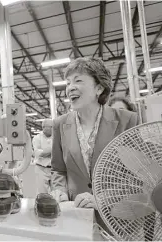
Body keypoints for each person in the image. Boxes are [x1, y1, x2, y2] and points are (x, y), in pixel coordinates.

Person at [50, 57, 138, 237]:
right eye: (68, 83)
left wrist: (103, 199)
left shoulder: (127, 120)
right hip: (77, 216)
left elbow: (137, 176)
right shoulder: (60, 125)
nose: (70, 87)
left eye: (78, 80)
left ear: (99, 88)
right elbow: (58, 169)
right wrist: (59, 190)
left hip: (117, 219)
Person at [32, 119, 53, 194]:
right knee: (43, 194)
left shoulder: (56, 137)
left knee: (57, 193)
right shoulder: (37, 138)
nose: (52, 129)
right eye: (51, 127)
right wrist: (52, 150)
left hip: (54, 169)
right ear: (44, 127)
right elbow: (38, 153)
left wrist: (46, 151)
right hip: (41, 169)